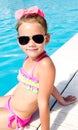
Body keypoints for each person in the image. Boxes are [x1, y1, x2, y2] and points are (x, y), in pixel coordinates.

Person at [0, 6, 76, 130]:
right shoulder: (28, 58)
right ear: (18, 41)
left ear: (47, 39)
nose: (31, 44)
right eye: (24, 39)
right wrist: (61, 99)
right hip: (11, 101)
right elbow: (47, 85)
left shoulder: (45, 65)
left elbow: (43, 103)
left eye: (37, 38)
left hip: (16, 115)